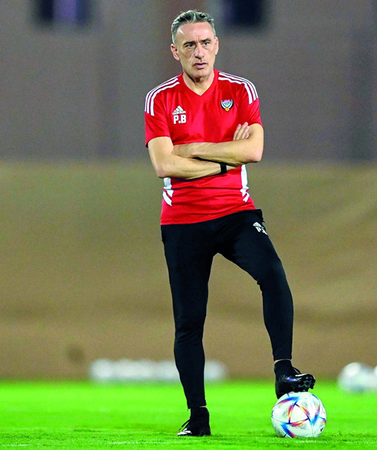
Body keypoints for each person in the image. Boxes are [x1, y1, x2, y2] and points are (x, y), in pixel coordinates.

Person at [143, 9, 315, 437]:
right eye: (189, 45)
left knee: (273, 275)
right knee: (189, 321)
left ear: (217, 45)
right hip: (183, 221)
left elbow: (253, 151)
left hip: (236, 213)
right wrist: (224, 160)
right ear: (175, 52)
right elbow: (164, 164)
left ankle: (283, 370)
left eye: (205, 43)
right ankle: (198, 416)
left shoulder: (240, 90)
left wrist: (193, 149)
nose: (198, 52)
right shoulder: (160, 99)